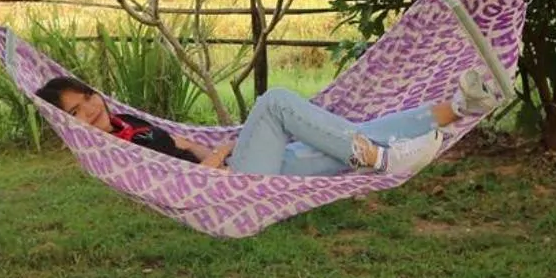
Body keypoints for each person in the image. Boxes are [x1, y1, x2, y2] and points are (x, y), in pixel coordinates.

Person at [36, 67, 507, 178]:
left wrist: (207, 147)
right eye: (77, 113)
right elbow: (182, 182)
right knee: (278, 100)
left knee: (351, 133)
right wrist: (221, 153)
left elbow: (186, 152)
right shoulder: (111, 152)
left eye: (89, 99)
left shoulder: (125, 124)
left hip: (241, 164)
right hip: (236, 181)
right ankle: (380, 158)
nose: (91, 111)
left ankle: (458, 109)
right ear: (69, 124)